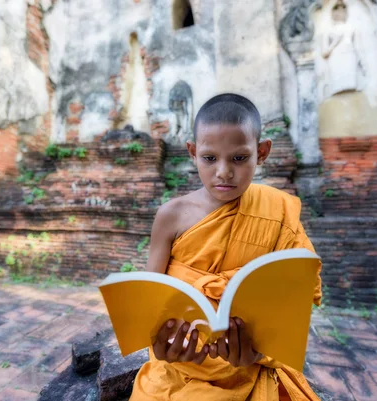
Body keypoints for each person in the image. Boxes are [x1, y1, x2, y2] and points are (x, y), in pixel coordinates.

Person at [129, 93, 323, 401]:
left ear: (262, 152)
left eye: (239, 158)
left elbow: (293, 312)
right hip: (178, 372)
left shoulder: (278, 213)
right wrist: (161, 347)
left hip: (248, 370)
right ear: (193, 152)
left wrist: (257, 355)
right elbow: (150, 306)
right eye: (210, 158)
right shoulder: (171, 216)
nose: (224, 171)